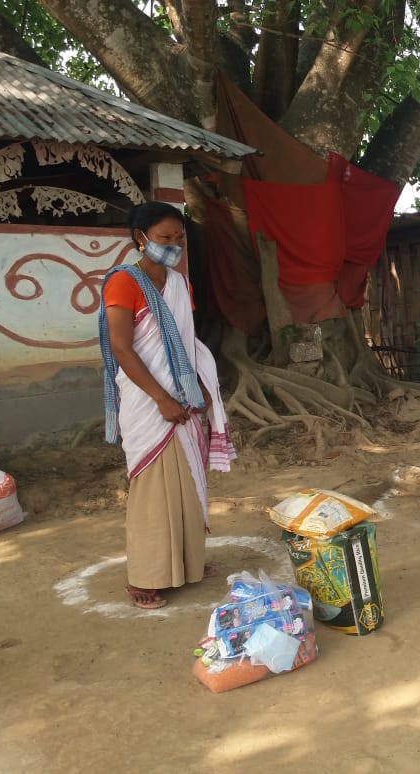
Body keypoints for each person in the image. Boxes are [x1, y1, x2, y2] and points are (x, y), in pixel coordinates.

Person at [98, 201, 236, 610]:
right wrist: (161, 399)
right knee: (153, 488)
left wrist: (200, 387)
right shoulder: (123, 283)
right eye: (165, 238)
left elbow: (184, 343)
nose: (174, 244)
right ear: (141, 239)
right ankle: (145, 575)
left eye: (180, 237)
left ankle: (188, 563)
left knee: (188, 482)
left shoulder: (181, 285)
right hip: (146, 400)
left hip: (184, 398)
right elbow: (122, 348)